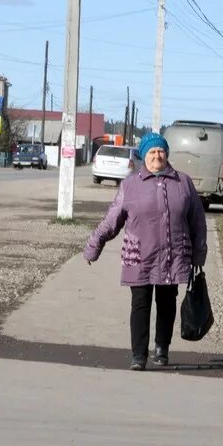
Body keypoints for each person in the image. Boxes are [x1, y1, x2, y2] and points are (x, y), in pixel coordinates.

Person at [84, 131, 208, 370]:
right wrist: (94, 246)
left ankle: (162, 348)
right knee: (140, 303)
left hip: (172, 254)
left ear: (167, 154)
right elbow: (112, 220)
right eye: (152, 152)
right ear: (143, 156)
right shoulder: (130, 185)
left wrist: (199, 254)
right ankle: (138, 355)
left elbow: (198, 222)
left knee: (167, 302)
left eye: (161, 151)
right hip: (139, 255)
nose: (157, 156)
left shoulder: (183, 182)